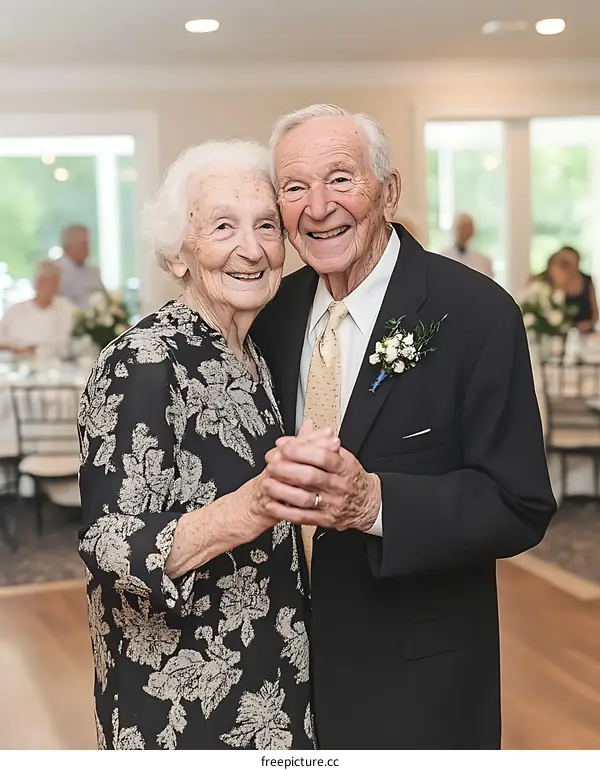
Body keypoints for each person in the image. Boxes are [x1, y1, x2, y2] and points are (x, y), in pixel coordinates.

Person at [251, 104, 556, 749]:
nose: (318, 205)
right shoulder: (273, 315)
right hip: (278, 677)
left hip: (418, 680)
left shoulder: (475, 314)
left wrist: (375, 503)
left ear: (388, 191)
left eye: (341, 178)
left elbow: (519, 504)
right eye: (294, 186)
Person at [77, 141, 324, 750]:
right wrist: (254, 505)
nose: (252, 248)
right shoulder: (144, 361)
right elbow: (115, 547)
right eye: (222, 226)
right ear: (178, 255)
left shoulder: (254, 355)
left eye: (267, 225)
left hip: (269, 674)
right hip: (181, 703)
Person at [0, 259, 75, 358]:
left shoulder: (69, 310)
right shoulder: (16, 311)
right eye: (44, 282)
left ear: (58, 284)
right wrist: (17, 350)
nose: (48, 287)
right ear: (36, 282)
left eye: (52, 283)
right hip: (20, 365)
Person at [543, 246, 598, 333]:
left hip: (584, 334)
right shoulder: (547, 283)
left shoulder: (586, 281)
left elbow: (595, 313)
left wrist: (588, 324)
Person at [57, 224, 104, 309]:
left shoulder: (94, 272)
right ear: (68, 245)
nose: (88, 248)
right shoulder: (56, 273)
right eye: (84, 243)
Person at [442, 212, 494, 278]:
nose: (461, 232)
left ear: (472, 231)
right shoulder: (442, 256)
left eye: (465, 228)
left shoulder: (483, 261)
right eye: (459, 227)